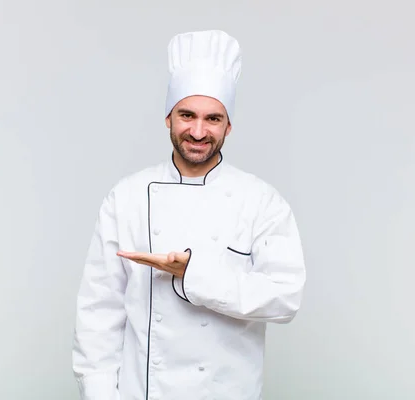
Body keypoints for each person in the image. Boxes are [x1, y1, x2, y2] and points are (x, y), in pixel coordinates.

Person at [72, 29, 306, 400]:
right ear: (168, 118)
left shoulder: (261, 201)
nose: (198, 131)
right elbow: (99, 313)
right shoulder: (126, 198)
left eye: (213, 119)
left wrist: (193, 274)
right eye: (187, 115)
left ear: (228, 126)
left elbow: (285, 298)